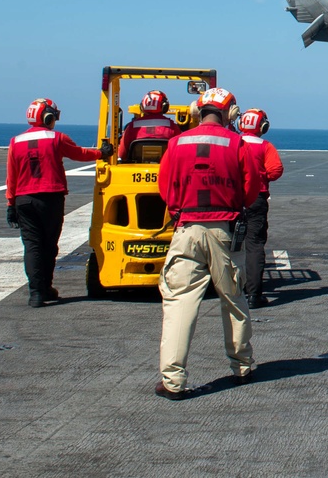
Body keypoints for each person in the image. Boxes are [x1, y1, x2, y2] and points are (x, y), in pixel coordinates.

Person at [155, 87, 261, 400]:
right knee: (233, 298)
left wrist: (181, 209)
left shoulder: (176, 143)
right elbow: (251, 189)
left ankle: (173, 382)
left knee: (179, 303)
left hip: (186, 228)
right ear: (230, 113)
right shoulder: (237, 143)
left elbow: (165, 188)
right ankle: (242, 367)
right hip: (224, 231)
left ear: (197, 111)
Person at [6, 98, 112, 307]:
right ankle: (45, 287)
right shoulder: (56, 138)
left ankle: (36, 292)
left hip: (24, 200)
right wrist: (102, 153)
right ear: (48, 117)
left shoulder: (15, 142)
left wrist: (11, 205)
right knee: (49, 245)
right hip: (50, 199)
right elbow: (79, 154)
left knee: (32, 246)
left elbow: (12, 176)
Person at [239, 108, 284, 309]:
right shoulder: (265, 146)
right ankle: (254, 296)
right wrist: (259, 176)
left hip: (229, 199)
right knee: (254, 245)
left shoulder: (232, 141)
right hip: (255, 198)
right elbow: (275, 171)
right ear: (263, 127)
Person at [118, 90, 182, 161]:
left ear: (142, 106)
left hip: (136, 170)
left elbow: (122, 154)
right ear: (165, 106)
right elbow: (179, 152)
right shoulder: (172, 127)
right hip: (164, 169)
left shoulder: (131, 127)